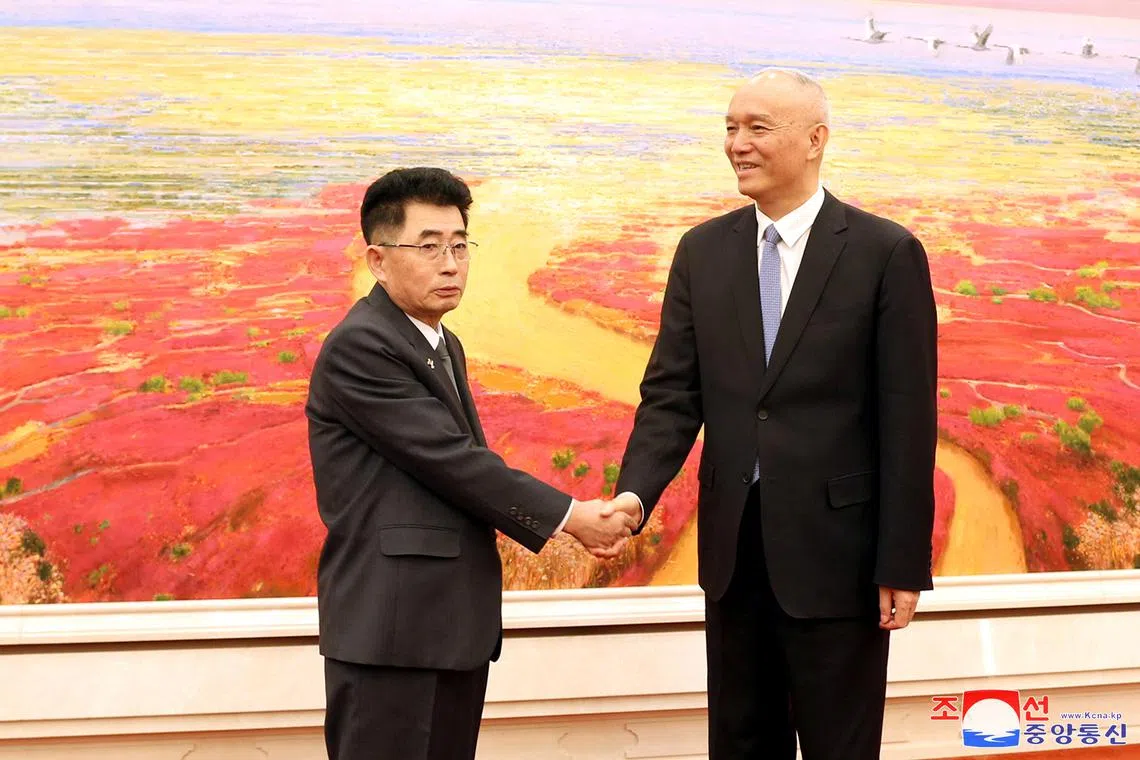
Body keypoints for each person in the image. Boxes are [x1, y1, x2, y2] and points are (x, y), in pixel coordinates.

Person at [609, 69, 938, 759]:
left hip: (840, 563)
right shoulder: (702, 252)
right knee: (738, 743)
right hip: (734, 559)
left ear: (815, 139)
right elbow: (672, 395)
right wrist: (635, 494)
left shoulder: (885, 253)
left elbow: (907, 422)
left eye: (757, 128)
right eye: (730, 127)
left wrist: (901, 562)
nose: (737, 144)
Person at [306, 167, 638, 760]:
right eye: (429, 246)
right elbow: (453, 462)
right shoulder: (362, 345)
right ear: (378, 260)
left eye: (460, 245)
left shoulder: (439, 342)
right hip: (392, 632)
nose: (451, 262)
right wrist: (573, 517)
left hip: (447, 628)